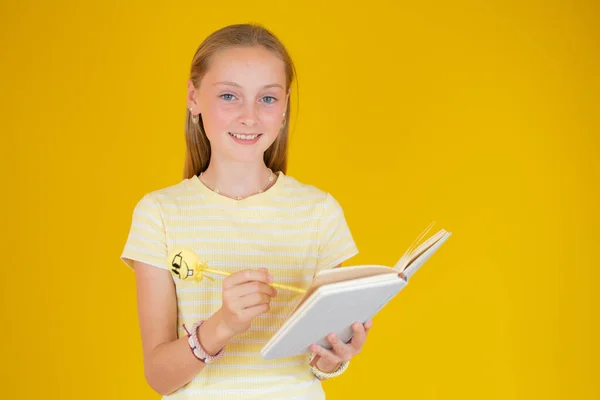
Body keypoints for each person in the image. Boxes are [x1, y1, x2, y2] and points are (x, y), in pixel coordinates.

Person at [120, 23, 373, 400]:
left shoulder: (319, 212)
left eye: (267, 99)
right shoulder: (158, 213)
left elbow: (316, 363)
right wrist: (221, 325)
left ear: (285, 105)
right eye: (229, 96)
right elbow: (158, 376)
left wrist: (334, 355)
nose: (249, 116)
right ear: (193, 98)